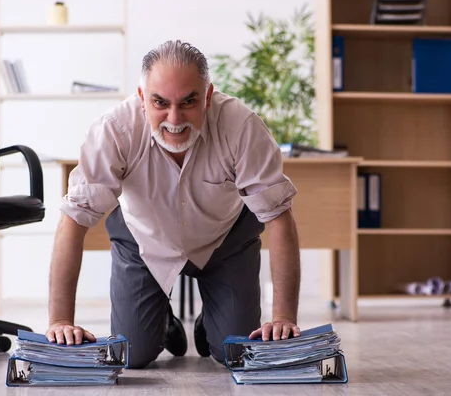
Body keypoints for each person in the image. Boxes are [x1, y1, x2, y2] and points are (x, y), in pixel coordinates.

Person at [44, 40, 302, 369]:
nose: (174, 118)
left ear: (208, 96)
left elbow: (279, 217)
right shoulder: (115, 129)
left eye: (189, 102)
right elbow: (74, 219)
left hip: (225, 240)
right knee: (132, 355)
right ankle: (162, 321)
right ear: (142, 98)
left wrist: (283, 317)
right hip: (143, 238)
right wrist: (60, 320)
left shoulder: (241, 126)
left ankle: (213, 318)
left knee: (236, 353)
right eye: (160, 103)